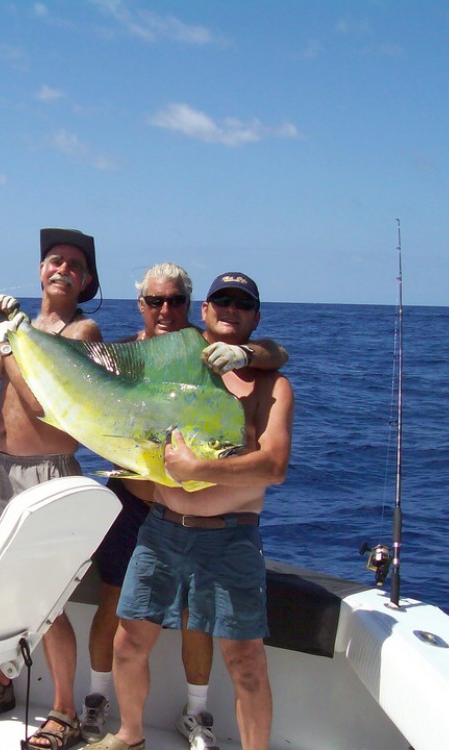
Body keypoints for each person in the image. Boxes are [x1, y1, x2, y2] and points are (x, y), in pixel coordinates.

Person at [81, 264, 288, 750]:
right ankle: (130, 734)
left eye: (244, 305)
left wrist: (201, 470)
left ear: (255, 319)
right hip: (160, 527)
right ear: (207, 311)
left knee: (246, 661)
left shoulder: (270, 384)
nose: (232, 311)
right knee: (129, 642)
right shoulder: (170, 361)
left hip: (230, 536)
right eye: (224, 302)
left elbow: (274, 466)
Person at [0, 228, 101, 749]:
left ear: (84, 281)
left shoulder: (83, 331)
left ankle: (64, 710)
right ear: (41, 271)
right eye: (53, 261)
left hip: (48, 474)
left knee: (49, 600)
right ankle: (0, 680)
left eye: (73, 265)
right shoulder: (23, 329)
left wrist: (11, 342)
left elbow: (40, 401)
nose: (61, 268)